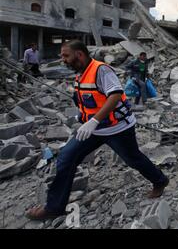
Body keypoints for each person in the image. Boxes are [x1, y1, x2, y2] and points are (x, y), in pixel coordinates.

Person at [26, 40, 169, 220]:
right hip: (94, 130)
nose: (63, 60)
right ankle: (54, 207)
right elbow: (90, 98)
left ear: (79, 54)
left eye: (65, 56)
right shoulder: (81, 74)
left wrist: (93, 120)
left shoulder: (101, 70)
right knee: (66, 157)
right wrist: (83, 116)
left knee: (133, 159)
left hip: (117, 128)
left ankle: (160, 181)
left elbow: (115, 94)